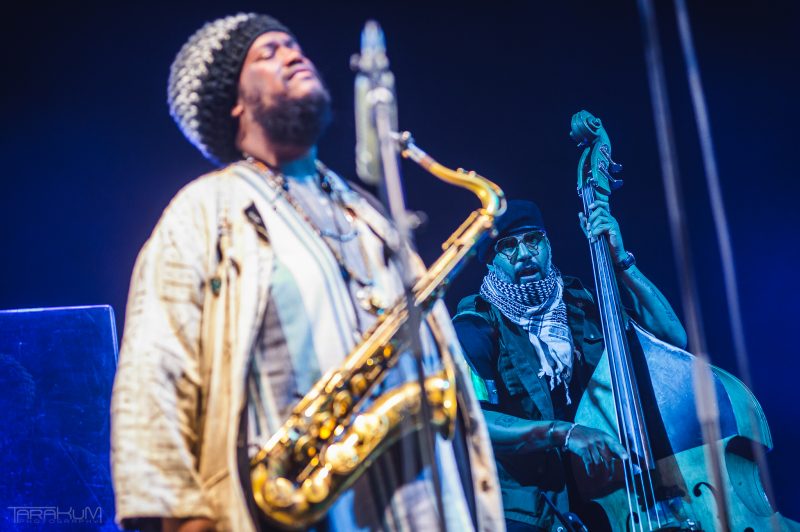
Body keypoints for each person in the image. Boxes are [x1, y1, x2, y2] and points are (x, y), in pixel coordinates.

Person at [110, 13, 503, 532]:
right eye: (268, 52)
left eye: (293, 45)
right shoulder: (205, 210)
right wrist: (178, 516)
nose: (293, 54)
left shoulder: (366, 214)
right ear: (233, 102)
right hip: (294, 507)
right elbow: (155, 368)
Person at [452, 199, 687, 531]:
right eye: (508, 246)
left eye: (533, 240)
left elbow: (671, 338)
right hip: (535, 508)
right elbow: (472, 420)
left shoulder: (581, 303)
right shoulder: (474, 326)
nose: (525, 254)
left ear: (548, 245)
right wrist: (563, 433)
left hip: (610, 492)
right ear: (491, 262)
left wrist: (621, 260)